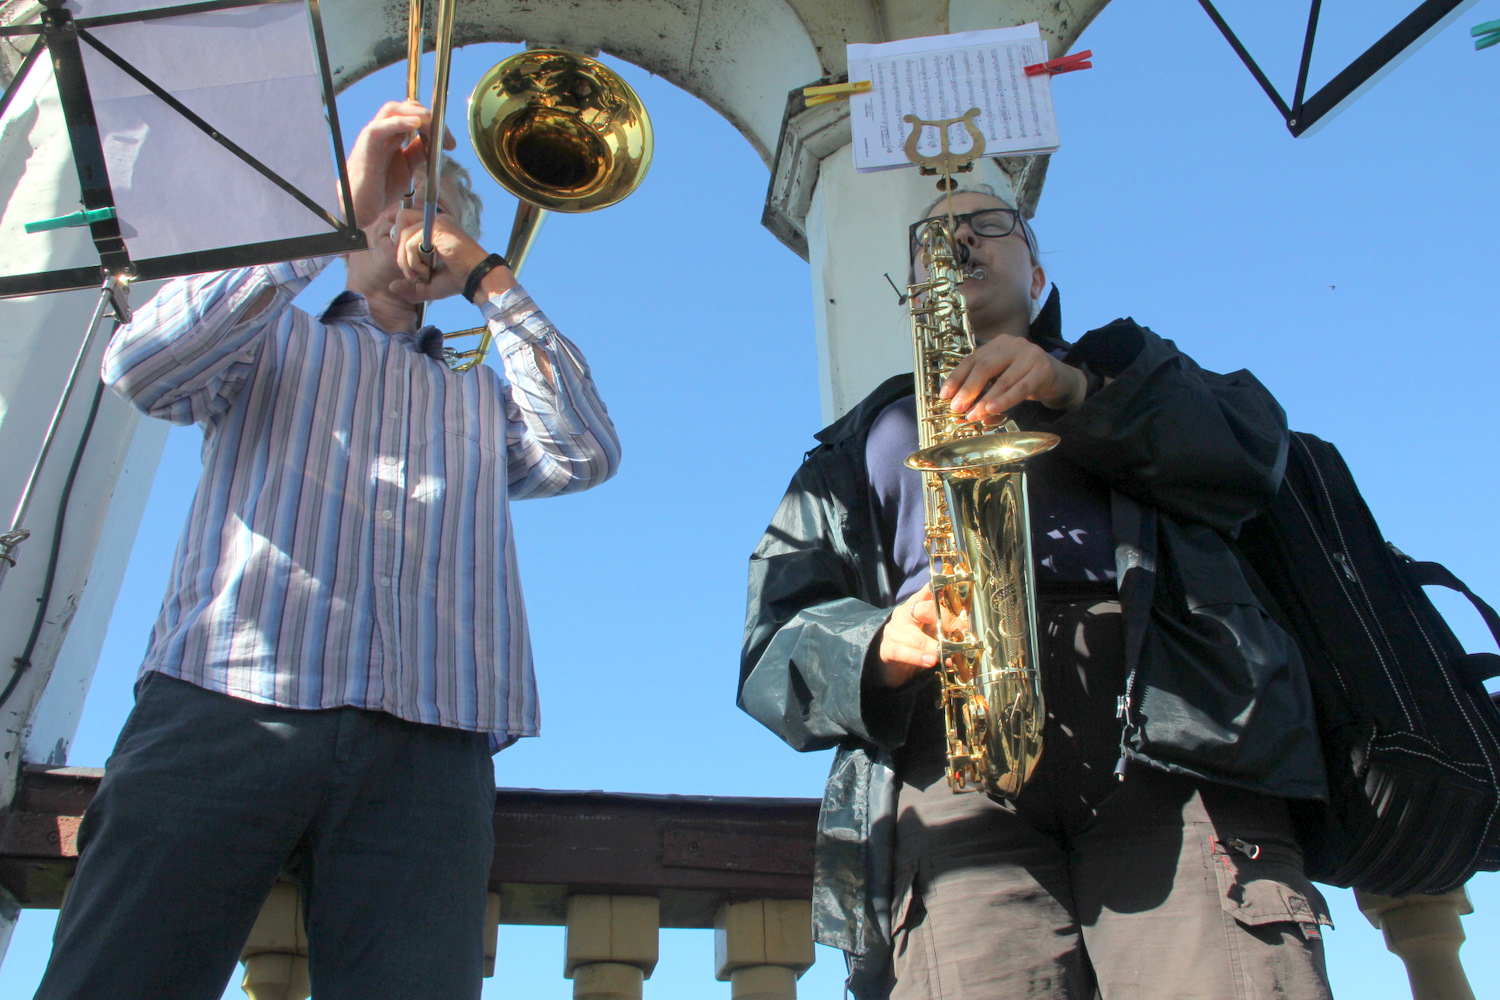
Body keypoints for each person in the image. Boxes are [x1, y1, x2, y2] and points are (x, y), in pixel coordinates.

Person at [33, 101, 620, 1000]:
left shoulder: (480, 398)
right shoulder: (268, 339)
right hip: (224, 704)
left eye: (441, 210)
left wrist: (489, 278)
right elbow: (142, 366)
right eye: (399, 200)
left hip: (431, 737)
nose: (419, 221)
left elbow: (585, 452)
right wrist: (328, 206)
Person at [738, 188, 1335, 1000]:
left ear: (1040, 275)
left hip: (1172, 729)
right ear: (915, 290)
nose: (960, 237)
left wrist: (1076, 388)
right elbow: (771, 644)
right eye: (935, 234)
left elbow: (1255, 450)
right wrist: (874, 647)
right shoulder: (852, 447)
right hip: (952, 745)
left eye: (990, 223)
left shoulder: (1130, 366)